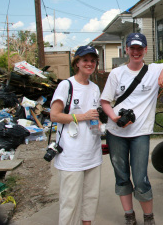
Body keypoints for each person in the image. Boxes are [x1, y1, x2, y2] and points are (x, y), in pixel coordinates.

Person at [100, 33, 163, 225]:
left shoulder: (155, 69)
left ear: (145, 50)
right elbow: (105, 101)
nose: (136, 52)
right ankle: (129, 215)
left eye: (140, 48)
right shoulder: (117, 73)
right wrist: (115, 118)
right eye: (132, 48)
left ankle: (149, 217)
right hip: (116, 133)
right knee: (121, 176)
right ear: (127, 50)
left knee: (140, 178)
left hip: (140, 133)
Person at [50, 45, 102, 225]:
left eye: (93, 61)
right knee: (70, 201)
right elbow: (54, 115)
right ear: (77, 63)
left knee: (90, 197)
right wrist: (82, 116)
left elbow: (94, 115)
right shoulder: (66, 85)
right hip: (71, 154)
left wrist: (100, 127)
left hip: (92, 153)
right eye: (85, 60)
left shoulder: (95, 88)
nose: (89, 64)